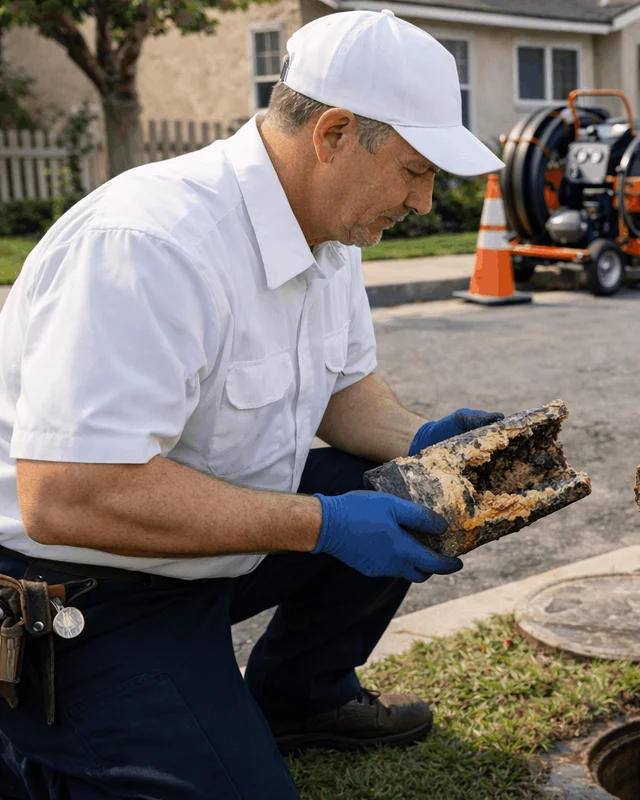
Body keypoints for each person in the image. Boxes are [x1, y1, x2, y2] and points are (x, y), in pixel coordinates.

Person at [0, 10, 505, 798]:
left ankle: (301, 699)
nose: (423, 200)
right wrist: (322, 525)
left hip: (199, 553)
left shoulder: (327, 235)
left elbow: (345, 391)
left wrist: (425, 441)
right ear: (333, 134)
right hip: (84, 587)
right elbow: (67, 496)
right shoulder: (150, 243)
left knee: (405, 494)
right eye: (413, 170)